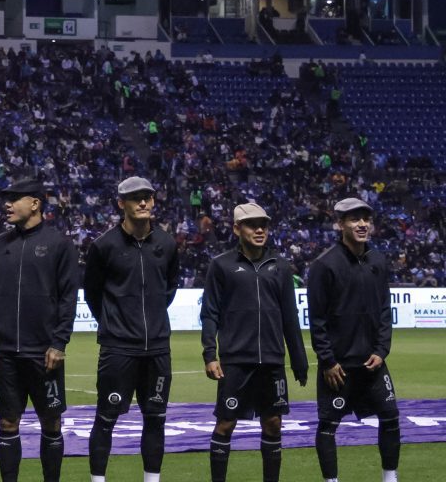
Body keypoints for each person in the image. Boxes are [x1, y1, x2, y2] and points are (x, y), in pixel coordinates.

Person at [0, 178, 79, 482]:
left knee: (52, 422)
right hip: (5, 354)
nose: (7, 205)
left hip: (44, 353)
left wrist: (59, 343)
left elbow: (68, 298)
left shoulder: (59, 244)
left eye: (14, 198)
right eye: (5, 199)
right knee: (7, 423)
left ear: (35, 203)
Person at [200, 203, 309, 482]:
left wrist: (299, 361)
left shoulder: (280, 267)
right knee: (225, 424)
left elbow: (290, 317)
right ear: (237, 228)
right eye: (252, 225)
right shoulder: (221, 265)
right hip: (235, 362)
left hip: (272, 361)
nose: (260, 230)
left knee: (273, 424)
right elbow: (210, 313)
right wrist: (210, 355)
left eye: (264, 225)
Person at [84, 176, 180, 482]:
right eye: (135, 198)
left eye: (147, 197)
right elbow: (93, 294)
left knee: (156, 419)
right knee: (106, 419)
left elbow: (170, 289)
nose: (142, 202)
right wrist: (115, 323)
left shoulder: (167, 244)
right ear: (120, 203)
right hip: (118, 349)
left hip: (158, 348)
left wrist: (152, 318)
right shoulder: (103, 246)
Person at [308, 198, 400, 482]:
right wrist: (327, 361)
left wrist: (382, 350)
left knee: (391, 418)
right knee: (328, 426)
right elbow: (317, 319)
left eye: (365, 219)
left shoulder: (378, 260)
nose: (362, 225)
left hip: (373, 363)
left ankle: (390, 478)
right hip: (339, 367)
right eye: (354, 219)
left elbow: (384, 310)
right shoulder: (324, 265)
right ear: (340, 224)